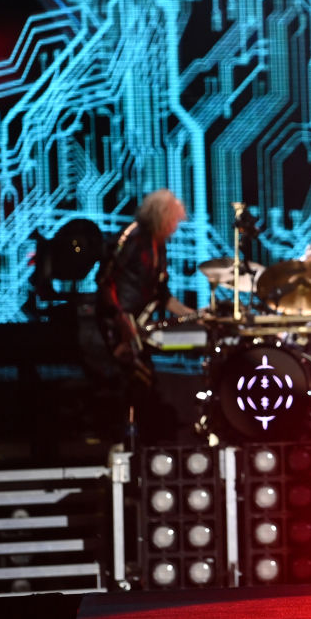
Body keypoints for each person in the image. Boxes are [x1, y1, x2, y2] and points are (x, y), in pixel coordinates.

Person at [95, 189, 195, 443]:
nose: (175, 228)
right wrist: (120, 321)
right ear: (162, 217)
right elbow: (105, 282)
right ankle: (122, 442)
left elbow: (162, 295)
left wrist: (193, 315)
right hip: (118, 325)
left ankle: (143, 441)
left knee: (144, 386)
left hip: (137, 327)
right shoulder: (133, 239)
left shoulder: (158, 246)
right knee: (131, 384)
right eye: (173, 222)